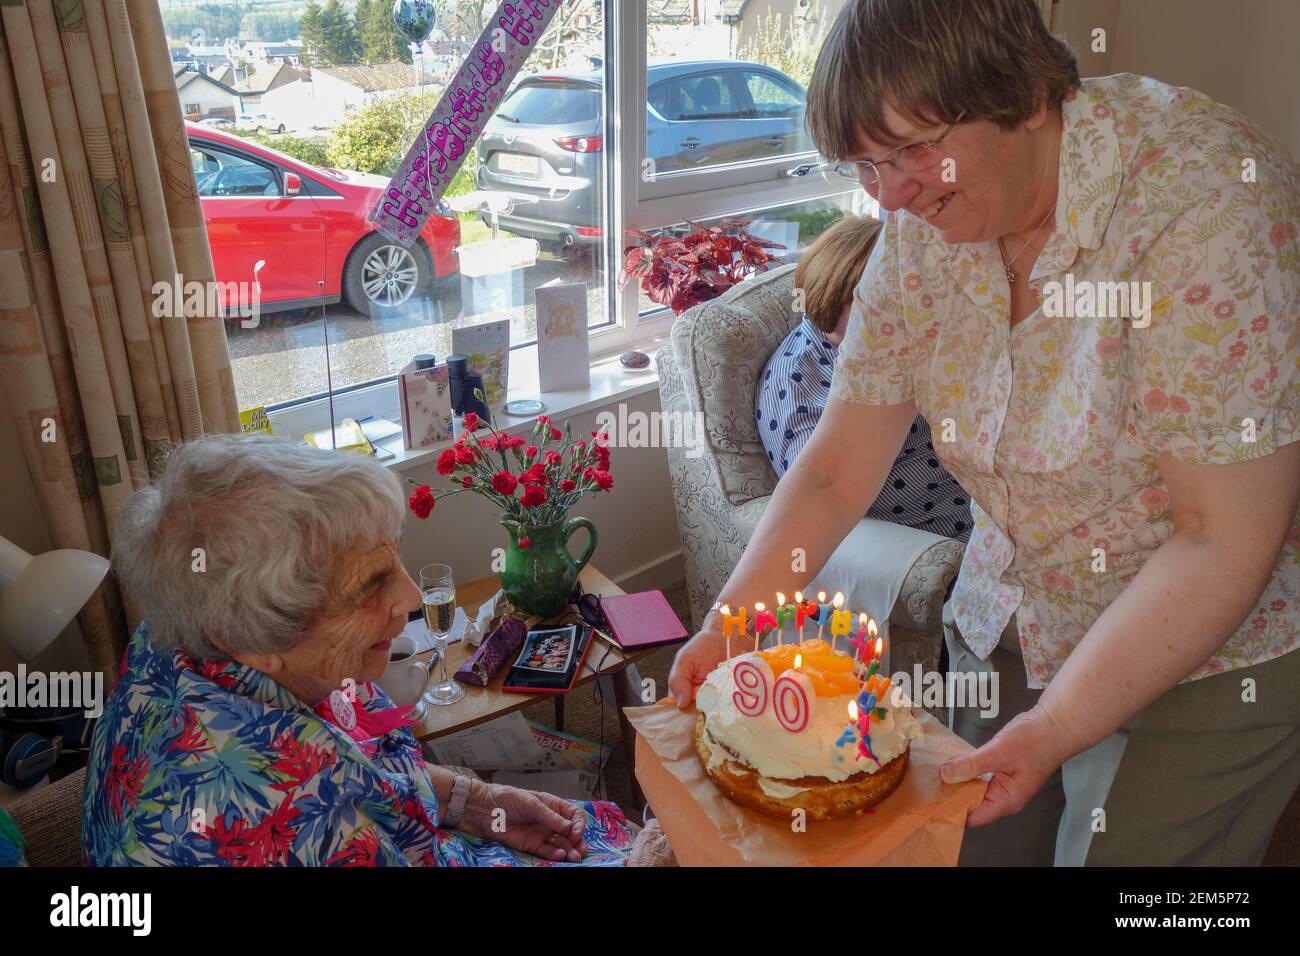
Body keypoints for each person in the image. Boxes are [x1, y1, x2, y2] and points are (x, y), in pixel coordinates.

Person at [670, 0, 1300, 866]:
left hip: (1201, 648)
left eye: (915, 151)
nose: (890, 196)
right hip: (1008, 611)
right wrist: (727, 625)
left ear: (1028, 98)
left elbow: (1218, 537)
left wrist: (1053, 730)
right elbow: (835, 470)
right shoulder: (916, 229)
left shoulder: (1204, 202)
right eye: (866, 165)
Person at [84, 434, 635, 866]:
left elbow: (357, 763)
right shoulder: (285, 819)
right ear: (251, 636)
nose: (411, 597)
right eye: (370, 583)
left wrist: (472, 799)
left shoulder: (176, 636)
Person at [756, 214, 971, 539]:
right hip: (936, 537)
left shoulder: (900, 344)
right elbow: (818, 502)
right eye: (877, 304)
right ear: (832, 300)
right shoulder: (799, 387)